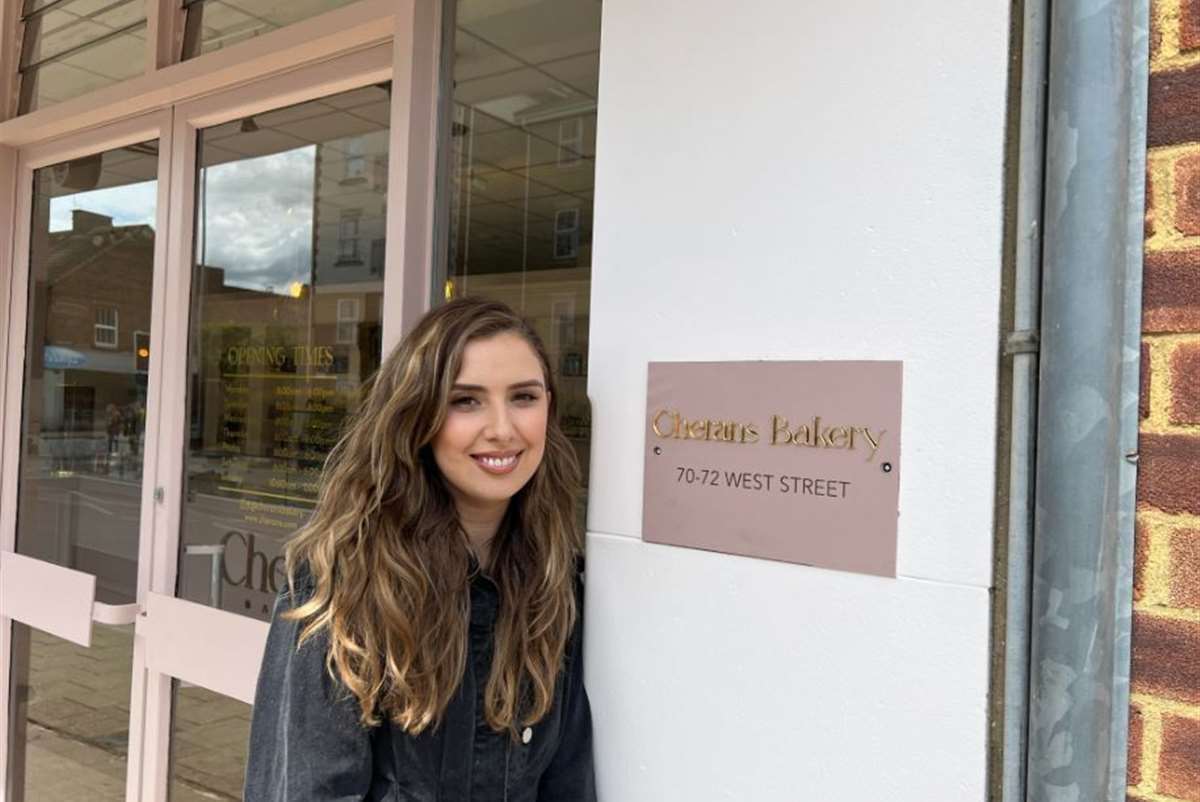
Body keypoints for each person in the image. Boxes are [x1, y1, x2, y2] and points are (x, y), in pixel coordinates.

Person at [244, 298, 596, 801]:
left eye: (523, 397)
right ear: (418, 417)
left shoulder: (556, 580)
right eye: (466, 401)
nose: (502, 428)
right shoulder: (348, 582)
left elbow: (568, 781)